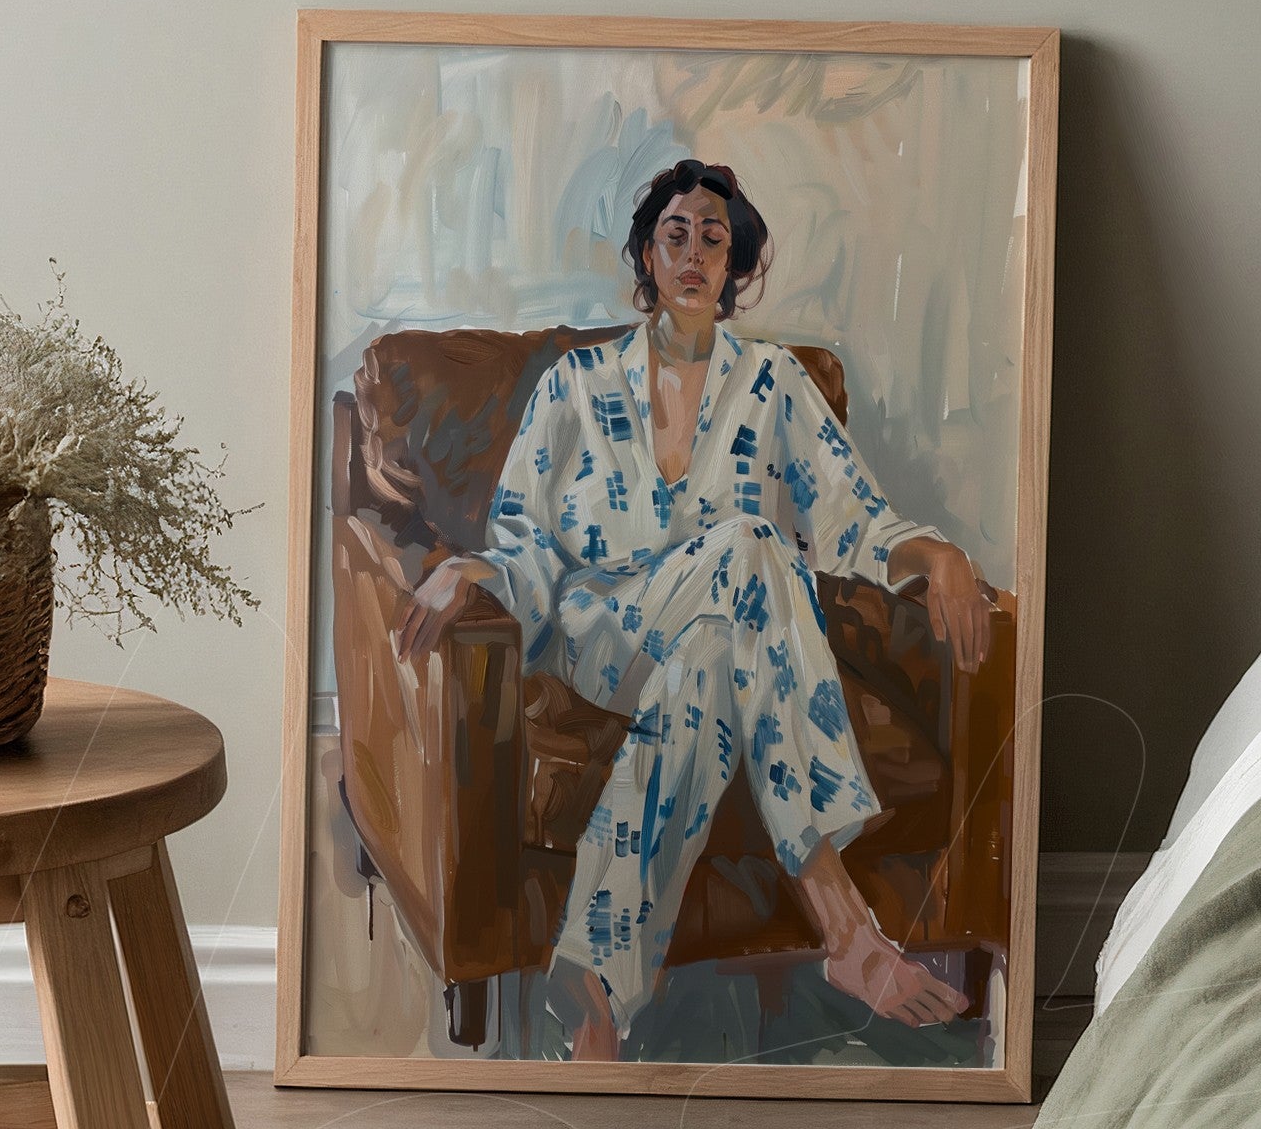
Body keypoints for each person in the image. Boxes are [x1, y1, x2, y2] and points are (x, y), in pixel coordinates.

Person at [396, 160, 995, 1061]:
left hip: (724, 634)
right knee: (754, 544)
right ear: (646, 253)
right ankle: (846, 930)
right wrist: (468, 571)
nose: (694, 252)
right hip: (600, 631)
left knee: (711, 663)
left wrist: (933, 554)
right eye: (676, 234)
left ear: (735, 266)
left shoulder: (774, 382)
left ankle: (592, 985)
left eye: (714, 239)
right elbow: (523, 540)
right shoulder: (574, 386)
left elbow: (848, 517)